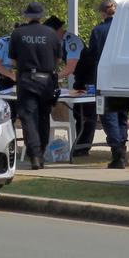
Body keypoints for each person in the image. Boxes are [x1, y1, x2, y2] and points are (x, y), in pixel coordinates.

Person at [8, 2, 62, 170]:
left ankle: (35, 156)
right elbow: (58, 60)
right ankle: (42, 152)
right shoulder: (52, 34)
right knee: (44, 118)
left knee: (29, 119)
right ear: (42, 16)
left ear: (27, 16)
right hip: (46, 80)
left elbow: (13, 60)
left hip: (26, 80)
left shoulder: (17, 34)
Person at [44, 15, 95, 156]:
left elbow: (70, 68)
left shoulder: (72, 41)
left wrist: (52, 78)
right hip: (80, 78)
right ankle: (80, 145)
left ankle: (83, 147)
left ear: (58, 30)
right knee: (79, 113)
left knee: (88, 114)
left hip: (90, 78)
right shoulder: (58, 42)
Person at [90, 0, 129, 169]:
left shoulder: (98, 31)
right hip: (125, 78)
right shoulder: (126, 29)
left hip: (105, 78)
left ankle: (118, 154)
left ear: (101, 13)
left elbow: (92, 55)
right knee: (122, 115)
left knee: (109, 116)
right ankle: (123, 151)